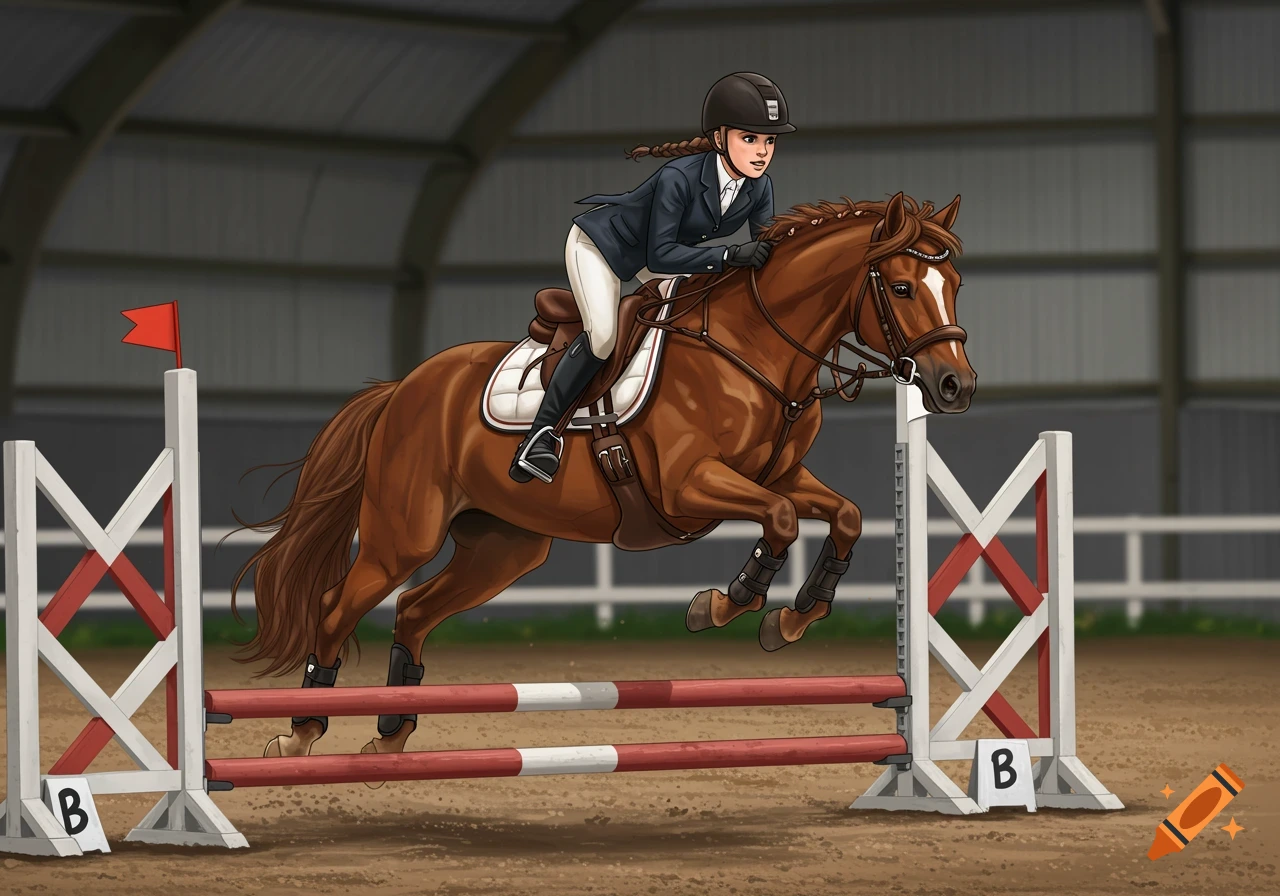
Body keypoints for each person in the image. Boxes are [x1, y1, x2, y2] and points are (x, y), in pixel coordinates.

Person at [510, 71, 796, 484]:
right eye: (750, 139)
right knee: (604, 335)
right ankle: (540, 435)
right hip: (603, 247)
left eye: (770, 141)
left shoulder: (759, 187)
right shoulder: (678, 178)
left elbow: (765, 255)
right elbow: (660, 255)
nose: (762, 152)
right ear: (719, 139)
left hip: (661, 253)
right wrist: (732, 254)